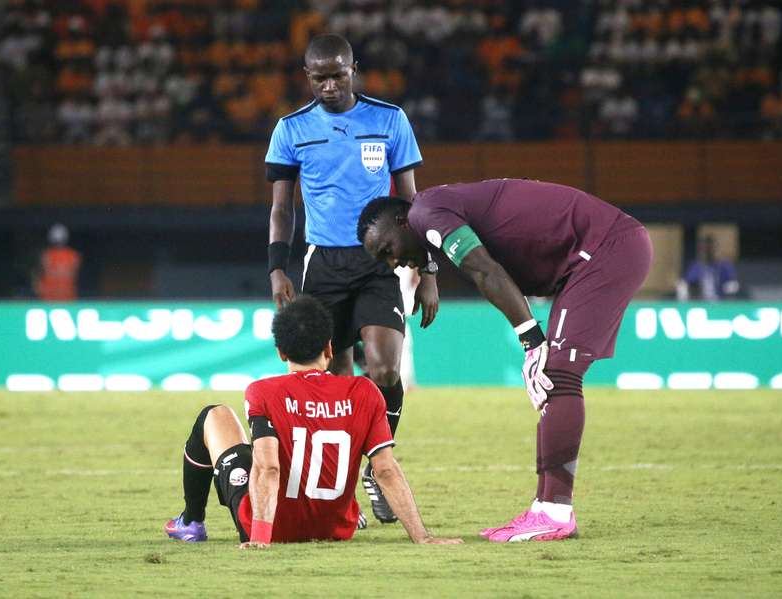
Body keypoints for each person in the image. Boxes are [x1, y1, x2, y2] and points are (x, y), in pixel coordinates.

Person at [356, 179, 653, 543]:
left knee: (558, 375)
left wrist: (530, 340)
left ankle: (555, 511)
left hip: (606, 247)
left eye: (388, 248)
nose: (393, 261)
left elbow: (484, 269)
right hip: (591, 256)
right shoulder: (433, 212)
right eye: (383, 260)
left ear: (403, 221)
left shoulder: (425, 212)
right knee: (553, 376)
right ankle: (545, 509)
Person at [264, 33, 438, 524]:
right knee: (334, 381)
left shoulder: (389, 119)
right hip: (322, 266)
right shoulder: (290, 129)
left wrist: (428, 269)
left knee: (385, 370)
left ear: (353, 69)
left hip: (379, 264)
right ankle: (343, 493)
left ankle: (376, 466)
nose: (330, 85)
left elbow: (412, 205)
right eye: (320, 78)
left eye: (338, 74)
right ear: (308, 78)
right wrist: (278, 267)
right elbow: (281, 208)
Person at [165, 296, 461, 547]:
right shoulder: (364, 391)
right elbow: (384, 469)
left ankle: (192, 522)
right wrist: (423, 537)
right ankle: (353, 515)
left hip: (272, 527)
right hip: (334, 528)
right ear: (330, 349)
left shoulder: (263, 391)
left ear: (281, 352)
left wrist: (260, 538)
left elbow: (268, 467)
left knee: (214, 415)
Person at [679, 235, 739, 301]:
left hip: (720, 302)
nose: (708, 251)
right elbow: (686, 282)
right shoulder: (696, 266)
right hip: (700, 302)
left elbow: (733, 284)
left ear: (716, 249)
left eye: (711, 248)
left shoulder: (724, 265)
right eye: (705, 249)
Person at [34, 223, 82, 301]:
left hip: (52, 297)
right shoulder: (74, 256)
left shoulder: (46, 255)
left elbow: (38, 275)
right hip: (62, 297)